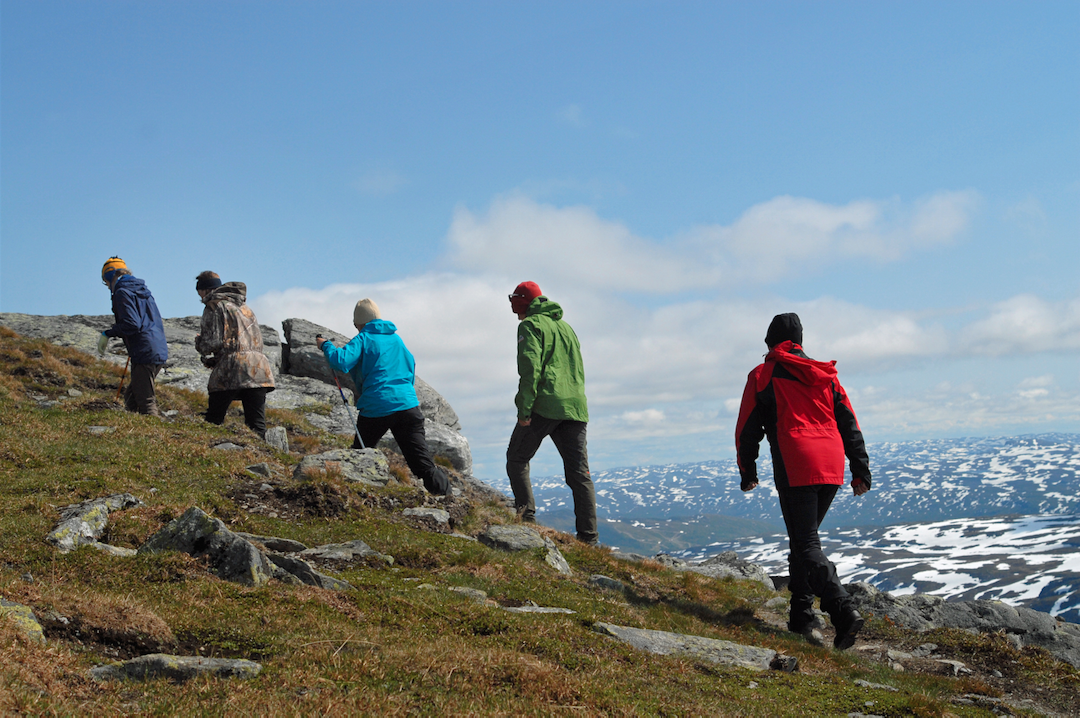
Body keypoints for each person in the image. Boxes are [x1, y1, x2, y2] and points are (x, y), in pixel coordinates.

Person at [735, 312, 872, 650]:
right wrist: (860, 469)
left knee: (807, 544)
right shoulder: (826, 375)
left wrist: (747, 471)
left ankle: (843, 609)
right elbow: (849, 422)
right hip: (831, 463)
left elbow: (747, 428)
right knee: (803, 541)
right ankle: (800, 616)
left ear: (769, 340)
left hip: (797, 462)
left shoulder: (763, 374)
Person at [316, 299, 450, 496]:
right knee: (422, 464)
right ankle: (445, 496)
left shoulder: (363, 338)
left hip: (376, 406)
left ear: (358, 323)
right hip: (407, 406)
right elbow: (411, 365)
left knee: (360, 453)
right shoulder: (396, 339)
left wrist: (325, 345)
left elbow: (340, 361)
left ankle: (356, 496)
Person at [506, 281, 597, 545]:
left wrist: (524, 410)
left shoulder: (529, 326)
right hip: (576, 406)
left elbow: (530, 369)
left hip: (545, 404)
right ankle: (589, 539)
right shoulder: (566, 328)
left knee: (517, 458)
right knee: (579, 475)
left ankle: (526, 521)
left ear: (522, 303)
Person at [194, 271, 276, 438]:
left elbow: (213, 341)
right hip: (259, 367)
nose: (200, 296)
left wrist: (200, 345)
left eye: (199, 292)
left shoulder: (214, 305)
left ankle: (207, 452)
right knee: (257, 424)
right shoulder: (245, 307)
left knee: (214, 418)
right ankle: (261, 458)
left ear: (205, 290)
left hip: (231, 368)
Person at [99, 257, 168, 415]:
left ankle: (154, 433)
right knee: (132, 396)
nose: (107, 286)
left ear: (110, 276)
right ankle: (137, 430)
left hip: (144, 351)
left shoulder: (122, 292)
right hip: (157, 347)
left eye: (106, 281)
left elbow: (132, 324)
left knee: (145, 399)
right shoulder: (142, 291)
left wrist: (108, 333)